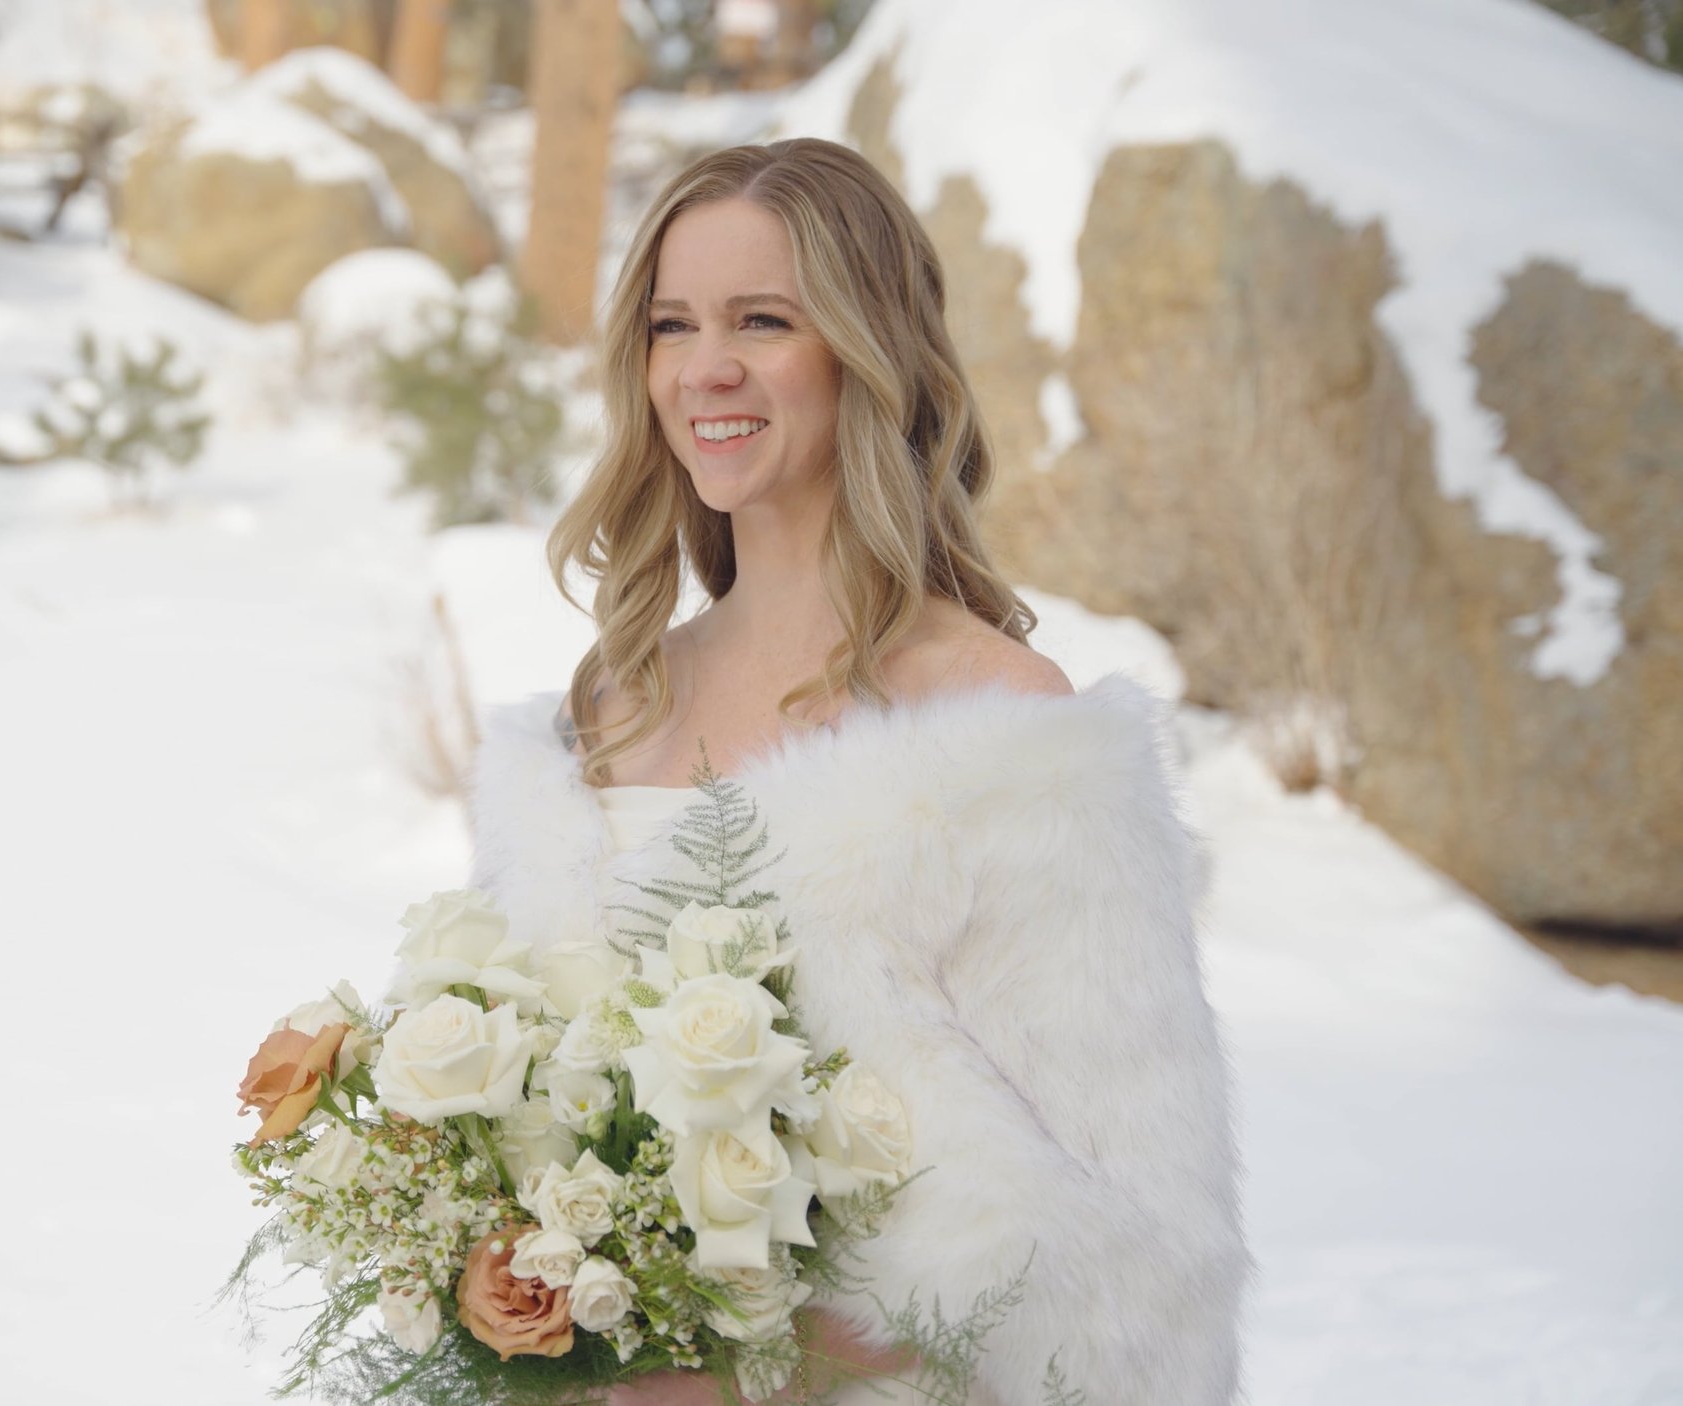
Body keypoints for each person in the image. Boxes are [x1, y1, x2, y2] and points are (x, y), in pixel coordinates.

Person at [465, 139, 1249, 1403]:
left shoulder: (998, 724)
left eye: (762, 320)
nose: (704, 367)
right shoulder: (607, 707)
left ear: (866, 348)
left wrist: (749, 1361)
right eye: (673, 325)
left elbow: (1144, 1241)